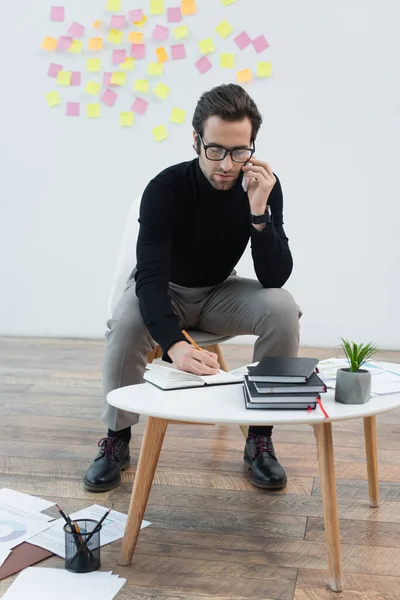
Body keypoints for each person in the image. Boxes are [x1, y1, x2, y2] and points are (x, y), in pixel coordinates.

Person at [84, 83, 301, 493]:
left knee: (283, 307)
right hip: (164, 288)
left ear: (252, 144)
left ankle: (260, 436)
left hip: (221, 291)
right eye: (216, 149)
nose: (228, 164)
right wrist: (175, 345)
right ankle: (117, 437)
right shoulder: (166, 188)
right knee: (128, 324)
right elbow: (147, 276)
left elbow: (274, 277)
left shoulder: (262, 185)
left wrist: (259, 212)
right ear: (196, 140)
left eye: (240, 151)